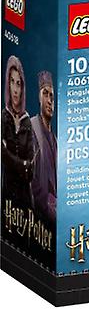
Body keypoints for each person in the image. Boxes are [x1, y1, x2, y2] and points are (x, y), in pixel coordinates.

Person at [1, 55, 34, 210]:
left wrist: (25, 166)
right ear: (8, 85)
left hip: (25, 196)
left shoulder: (27, 121)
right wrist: (22, 165)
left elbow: (31, 169)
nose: (15, 89)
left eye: (18, 84)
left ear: (23, 88)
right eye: (12, 82)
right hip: (8, 193)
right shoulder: (3, 117)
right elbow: (2, 155)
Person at [31, 71, 57, 223]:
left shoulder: (56, 141)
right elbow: (29, 178)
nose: (49, 100)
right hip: (38, 215)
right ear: (39, 98)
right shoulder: (31, 127)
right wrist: (48, 205)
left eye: (52, 96)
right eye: (45, 94)